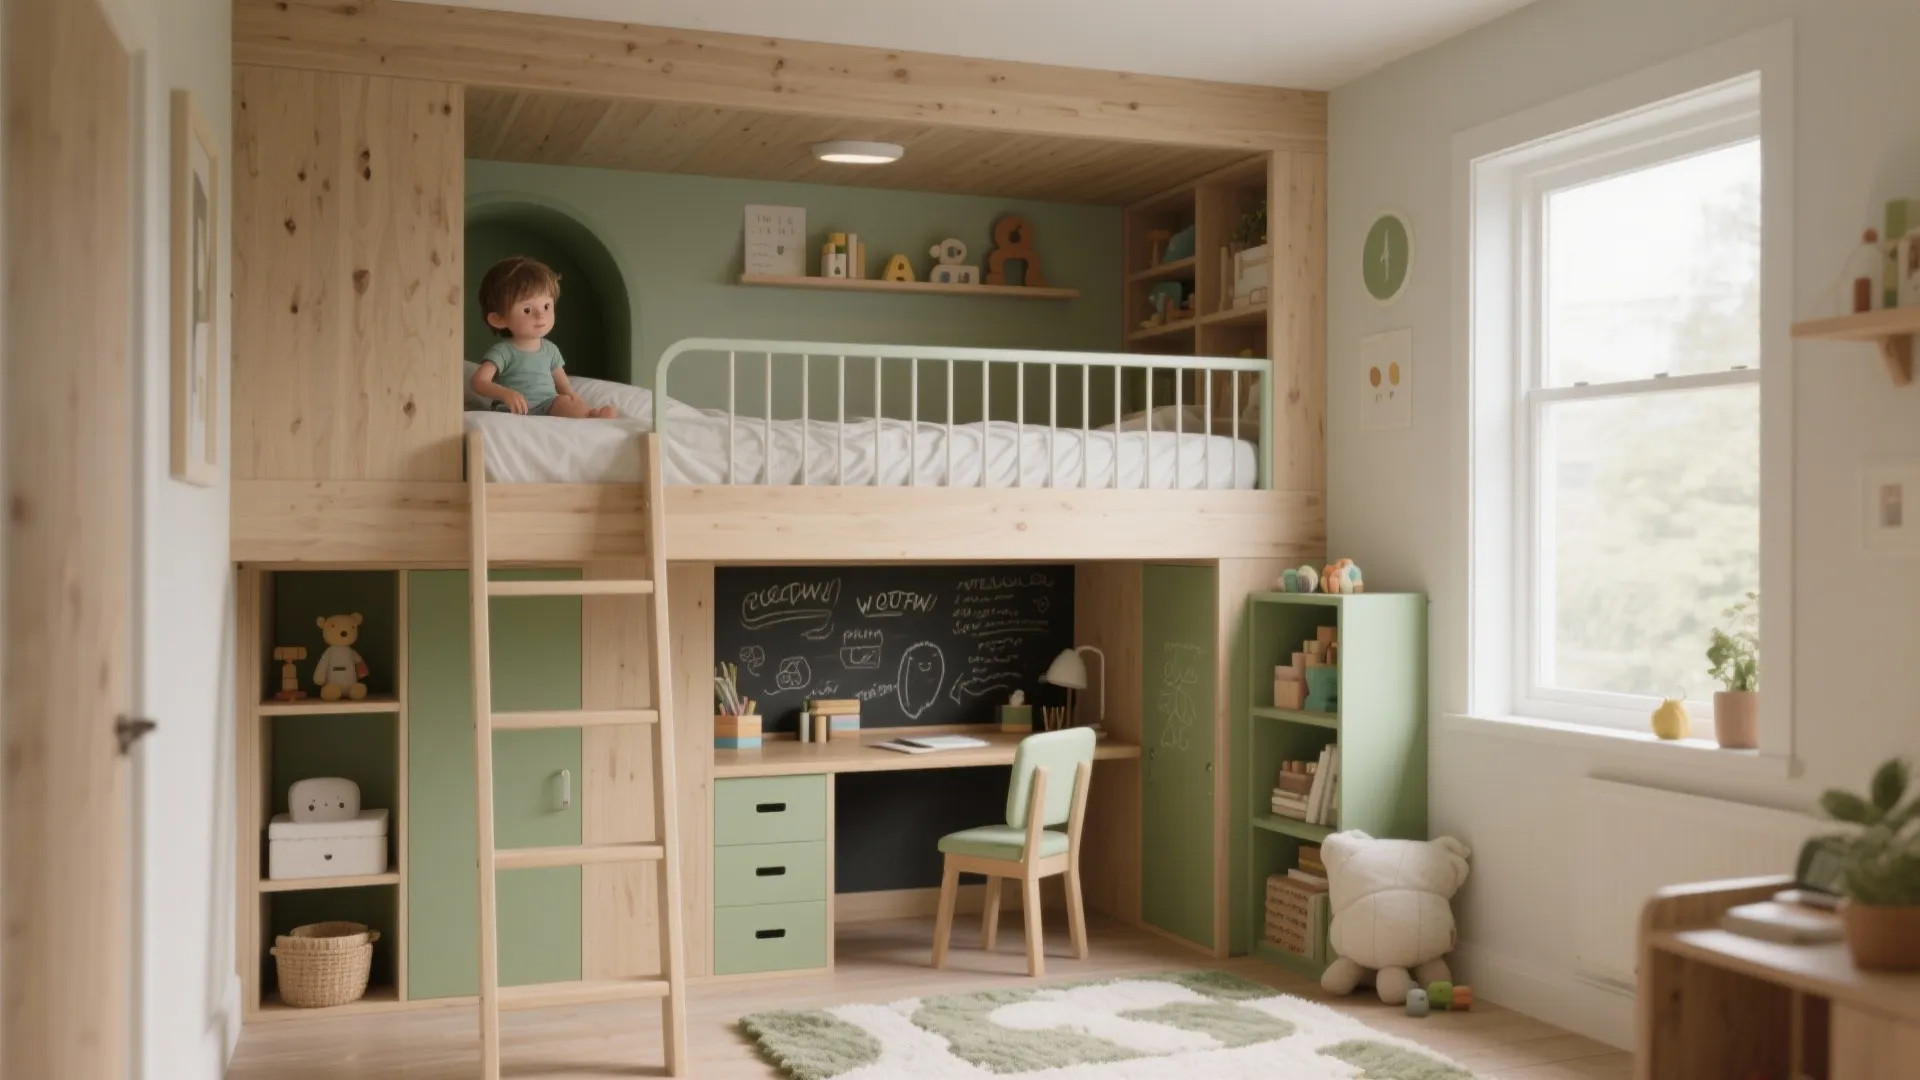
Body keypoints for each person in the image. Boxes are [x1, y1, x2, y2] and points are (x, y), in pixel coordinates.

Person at [470, 255, 616, 419]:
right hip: (514, 408)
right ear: (498, 319)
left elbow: (564, 387)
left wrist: (578, 402)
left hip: (549, 405)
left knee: (563, 402)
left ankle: (590, 415)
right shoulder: (503, 351)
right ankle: (589, 416)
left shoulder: (550, 350)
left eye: (546, 306)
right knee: (562, 403)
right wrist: (505, 394)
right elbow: (478, 382)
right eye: (527, 310)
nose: (540, 315)